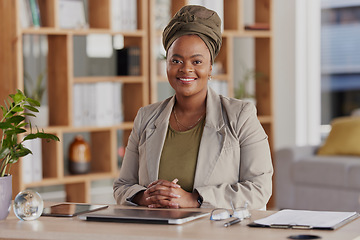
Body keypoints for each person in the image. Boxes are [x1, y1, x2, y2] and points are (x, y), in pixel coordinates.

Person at [113, 5, 273, 210]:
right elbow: (123, 186)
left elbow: (259, 189)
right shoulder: (146, 117)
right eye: (176, 60)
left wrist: (194, 199)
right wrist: (144, 197)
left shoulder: (240, 116)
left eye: (196, 61)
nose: (186, 69)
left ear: (210, 67)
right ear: (167, 65)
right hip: (154, 230)